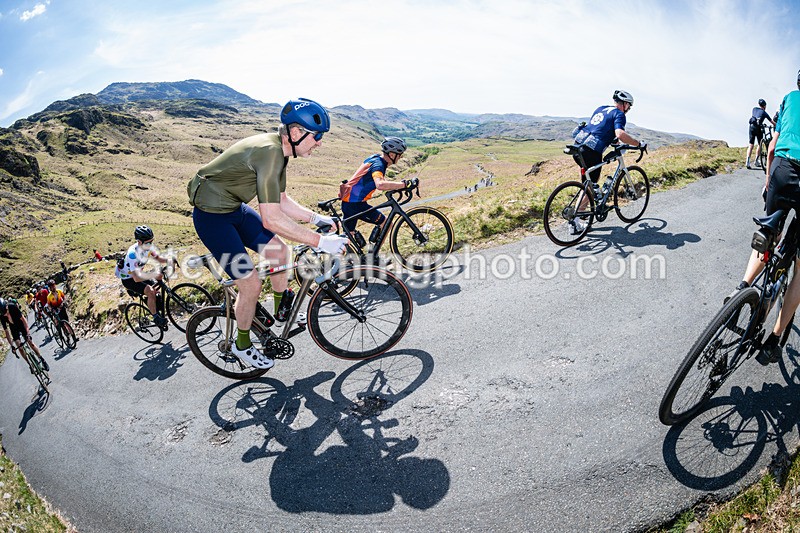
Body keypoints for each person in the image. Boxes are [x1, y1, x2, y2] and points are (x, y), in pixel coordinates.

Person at [187, 98, 348, 370]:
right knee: (249, 283)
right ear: (296, 134)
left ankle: (281, 312)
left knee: (280, 252)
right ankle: (241, 345)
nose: (320, 142)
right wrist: (320, 241)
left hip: (234, 210)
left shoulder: (281, 152)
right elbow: (271, 218)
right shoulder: (269, 152)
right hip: (212, 219)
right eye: (317, 136)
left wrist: (315, 217)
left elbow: (281, 201)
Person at [733, 69, 800, 364]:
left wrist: (767, 181)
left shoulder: (788, 99)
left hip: (783, 169)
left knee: (768, 233)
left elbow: (771, 145)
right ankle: (774, 339)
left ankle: (741, 289)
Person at [571, 90, 644, 233]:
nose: (628, 109)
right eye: (629, 106)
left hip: (578, 147)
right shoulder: (619, 114)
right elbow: (620, 134)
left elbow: (599, 129)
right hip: (591, 152)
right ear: (624, 104)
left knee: (588, 185)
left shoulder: (601, 108)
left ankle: (583, 216)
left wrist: (614, 141)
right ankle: (575, 221)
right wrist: (638, 144)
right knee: (590, 187)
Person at [338, 137, 412, 242]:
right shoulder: (379, 165)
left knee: (348, 238)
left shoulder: (375, 158)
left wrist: (395, 186)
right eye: (400, 155)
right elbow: (380, 184)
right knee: (386, 224)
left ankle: (362, 254)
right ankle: (373, 255)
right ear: (392, 155)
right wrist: (403, 185)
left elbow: (371, 179)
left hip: (350, 202)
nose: (400, 157)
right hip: (355, 204)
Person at [114, 225, 171, 328]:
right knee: (149, 290)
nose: (150, 244)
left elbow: (158, 258)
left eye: (152, 241)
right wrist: (154, 274)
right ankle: (155, 317)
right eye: (148, 242)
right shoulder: (132, 254)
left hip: (139, 274)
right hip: (129, 279)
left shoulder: (148, 247)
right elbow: (136, 278)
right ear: (139, 242)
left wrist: (170, 260)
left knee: (156, 290)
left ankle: (153, 306)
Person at [0, 297, 48, 373]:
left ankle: (42, 359)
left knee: (30, 342)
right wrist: (12, 346)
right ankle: (29, 364)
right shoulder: (2, 316)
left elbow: (24, 320)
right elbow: (7, 332)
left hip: (20, 324)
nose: (6, 314)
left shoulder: (12, 306)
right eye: (4, 313)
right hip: (13, 328)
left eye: (6, 311)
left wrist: (28, 334)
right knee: (20, 347)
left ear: (6, 306)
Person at [746, 98, 776, 169]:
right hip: (758, 128)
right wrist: (778, 125)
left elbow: (756, 116)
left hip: (751, 127)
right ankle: (756, 160)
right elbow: (772, 122)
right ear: (765, 106)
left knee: (751, 145)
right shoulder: (764, 113)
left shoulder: (754, 109)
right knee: (760, 144)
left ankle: (747, 161)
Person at [46, 279, 77, 344]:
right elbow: (49, 305)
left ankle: (74, 337)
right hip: (55, 311)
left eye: (53, 286)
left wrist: (64, 303)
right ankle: (66, 337)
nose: (53, 287)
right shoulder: (49, 296)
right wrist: (51, 310)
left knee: (67, 323)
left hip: (62, 309)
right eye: (51, 287)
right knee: (62, 325)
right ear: (49, 288)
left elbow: (64, 298)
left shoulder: (59, 291)